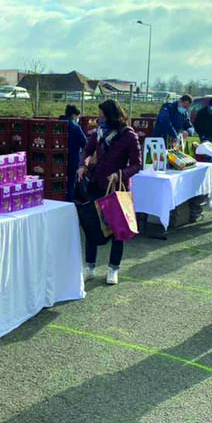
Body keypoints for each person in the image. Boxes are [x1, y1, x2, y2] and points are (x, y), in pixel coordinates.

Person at [77, 100, 142, 285]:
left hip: (117, 188)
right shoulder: (98, 133)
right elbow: (87, 151)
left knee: (116, 230)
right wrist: (83, 165)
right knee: (91, 227)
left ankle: (113, 268)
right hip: (97, 184)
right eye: (99, 115)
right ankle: (89, 267)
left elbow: (137, 164)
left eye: (103, 116)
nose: (100, 119)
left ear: (112, 116)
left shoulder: (129, 135)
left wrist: (120, 174)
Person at [59, 104, 87, 201]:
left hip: (58, 160)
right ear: (74, 115)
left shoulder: (57, 124)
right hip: (72, 159)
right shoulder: (75, 127)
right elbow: (84, 143)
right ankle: (69, 201)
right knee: (71, 182)